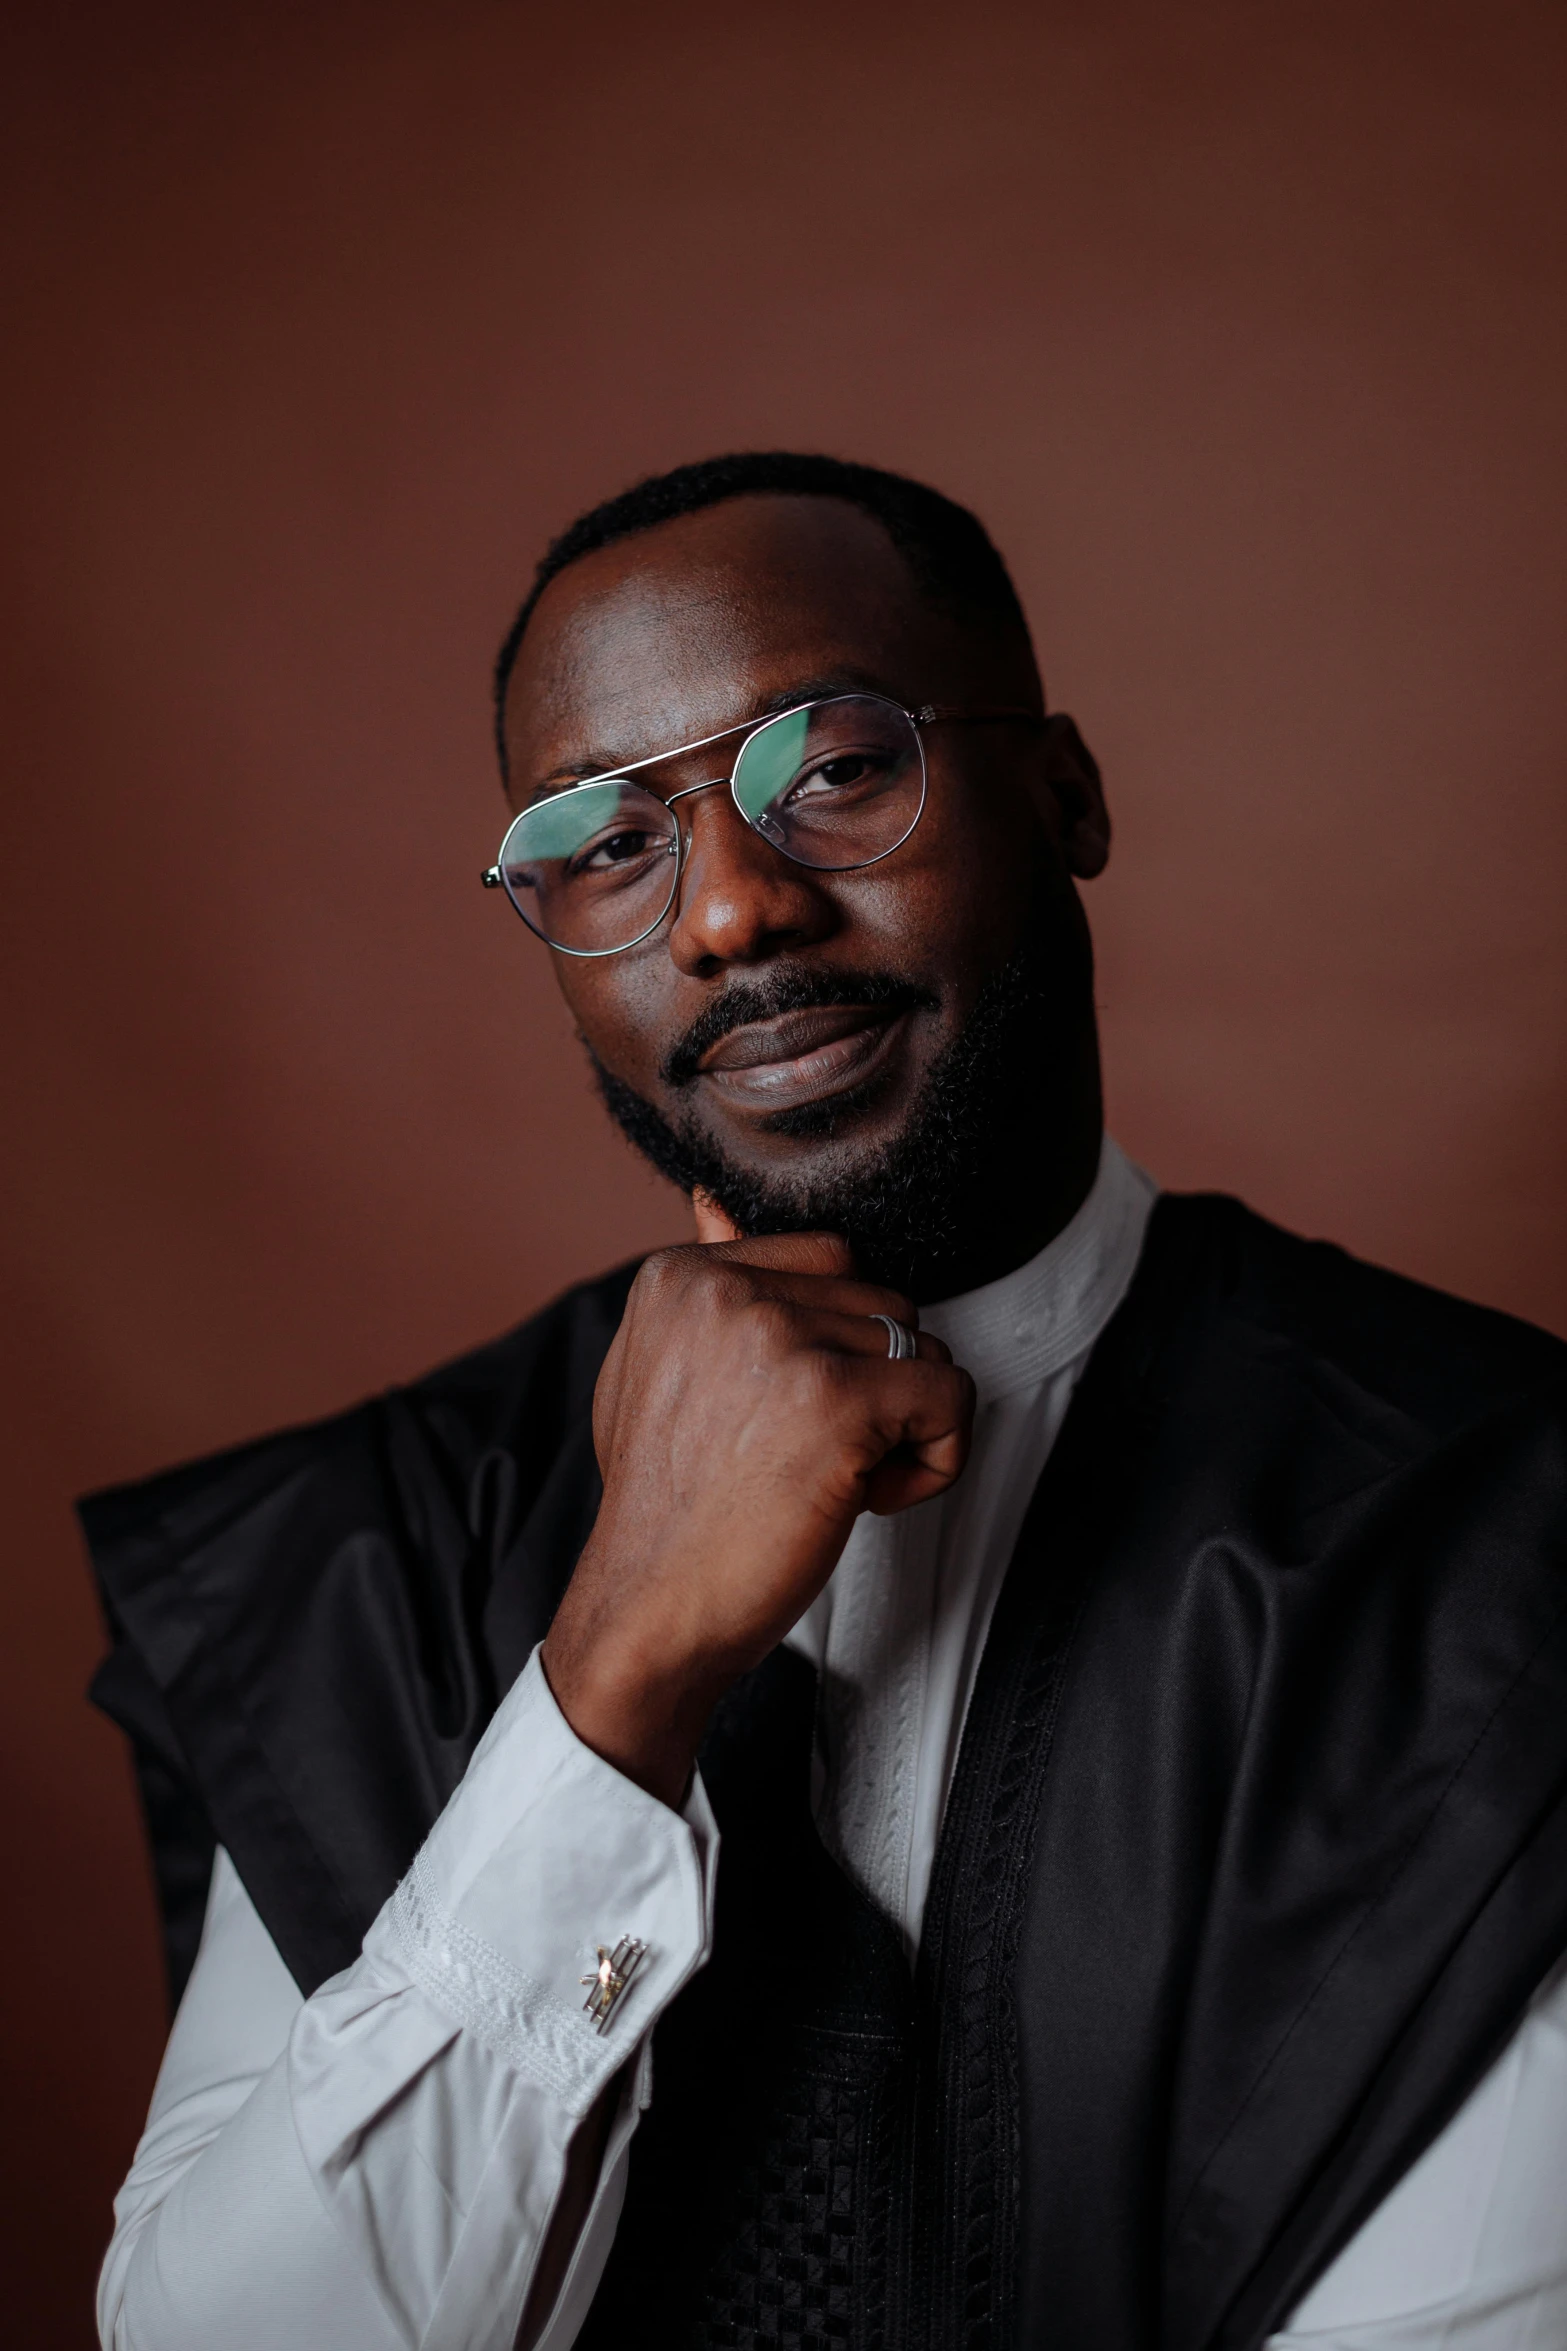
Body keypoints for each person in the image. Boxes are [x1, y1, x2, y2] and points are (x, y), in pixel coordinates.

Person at [86, 453, 1567, 2351]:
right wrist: (611, 1676)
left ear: (1067, 793)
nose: (725, 914)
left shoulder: (1494, 1525)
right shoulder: (368, 1553)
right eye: (609, 843)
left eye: (839, 768)